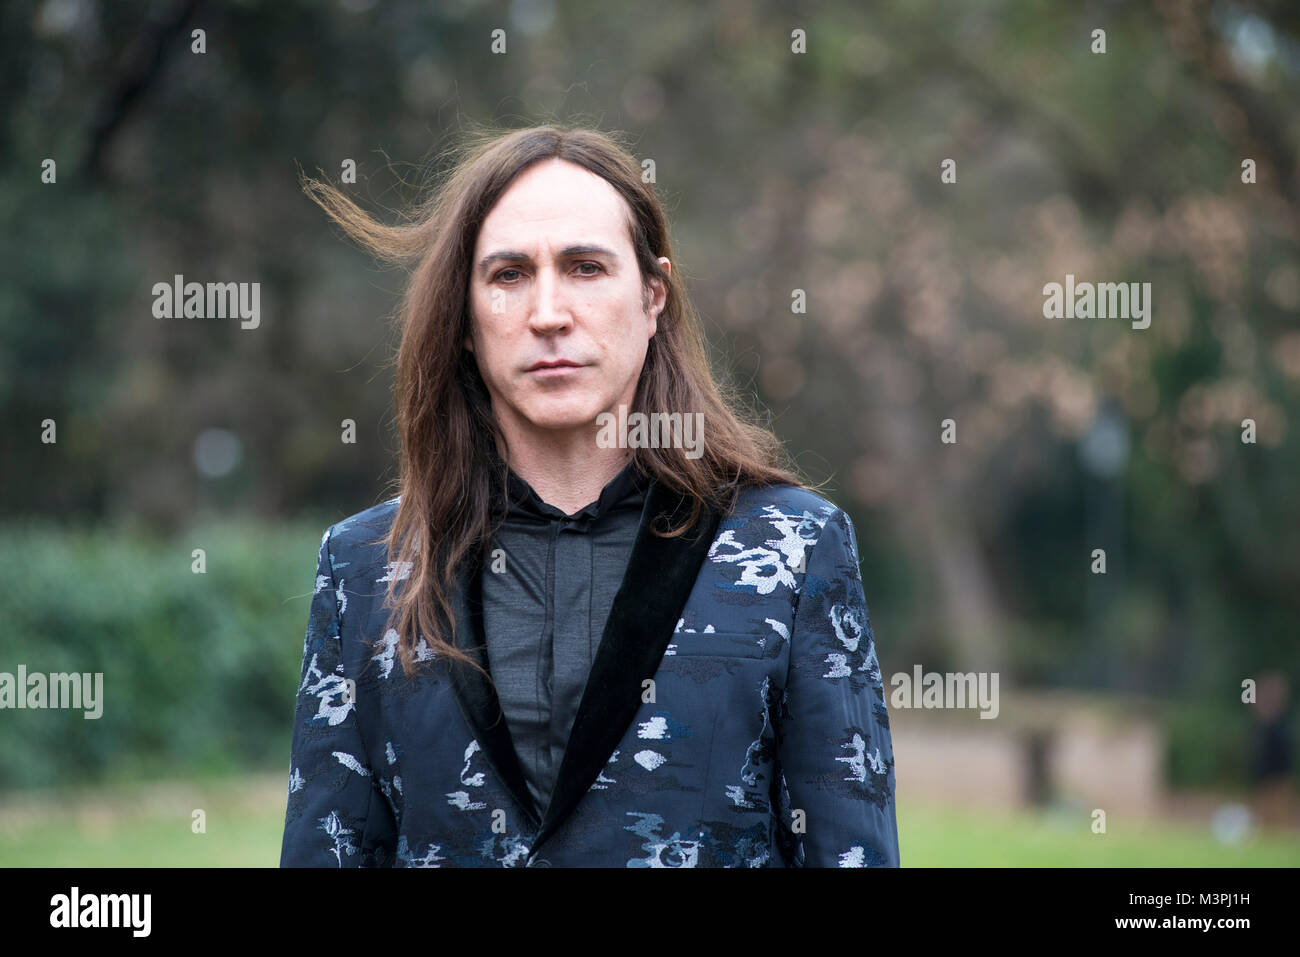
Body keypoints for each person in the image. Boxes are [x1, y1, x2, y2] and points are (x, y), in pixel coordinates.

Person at [279, 124, 899, 867]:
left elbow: (848, 853)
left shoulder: (794, 551)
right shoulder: (364, 571)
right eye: (508, 274)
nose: (548, 312)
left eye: (585, 267)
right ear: (467, 320)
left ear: (652, 296)